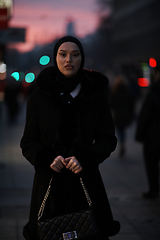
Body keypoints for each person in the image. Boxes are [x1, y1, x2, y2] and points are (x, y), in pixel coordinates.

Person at [20, 36, 120, 240]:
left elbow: (108, 139)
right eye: (63, 54)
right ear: (55, 57)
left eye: (75, 55)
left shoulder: (96, 96)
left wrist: (85, 157)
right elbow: (28, 141)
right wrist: (48, 158)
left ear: (82, 59)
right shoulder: (38, 98)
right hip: (48, 185)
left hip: (86, 185)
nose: (69, 60)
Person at [135, 66, 160, 199]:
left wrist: (140, 135)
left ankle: (154, 189)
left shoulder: (153, 93)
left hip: (154, 136)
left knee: (151, 165)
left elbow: (145, 116)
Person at [109, 74, 135, 157]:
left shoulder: (115, 92)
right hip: (125, 114)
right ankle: (122, 143)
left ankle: (121, 143)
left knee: (120, 130)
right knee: (122, 130)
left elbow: (111, 104)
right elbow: (131, 103)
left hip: (118, 115)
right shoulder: (127, 91)